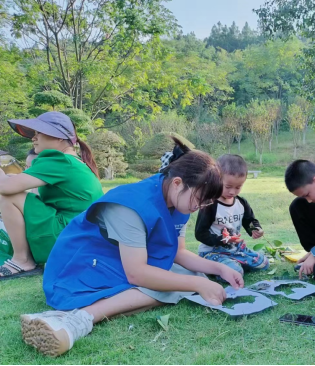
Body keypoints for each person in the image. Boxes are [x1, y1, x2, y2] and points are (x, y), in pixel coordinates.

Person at [20, 142, 244, 357]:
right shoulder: (131, 205)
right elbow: (137, 273)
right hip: (80, 266)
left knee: (186, 277)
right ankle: (80, 320)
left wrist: (219, 269)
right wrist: (198, 284)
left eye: (205, 203)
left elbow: (178, 252)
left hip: (115, 261)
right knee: (174, 283)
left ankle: (71, 316)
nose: (199, 207)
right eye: (199, 200)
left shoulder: (179, 201)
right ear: (177, 183)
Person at [0, 112, 103, 279]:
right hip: (83, 235)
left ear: (59, 137)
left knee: (8, 196)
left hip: (70, 235)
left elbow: (4, 188)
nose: (33, 138)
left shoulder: (58, 160)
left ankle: (22, 260)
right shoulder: (72, 161)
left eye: (38, 133)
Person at [195, 154, 269, 276]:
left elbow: (249, 220)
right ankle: (220, 266)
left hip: (236, 249)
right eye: (228, 187)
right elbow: (200, 233)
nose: (232, 192)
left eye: (238, 187)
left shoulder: (241, 202)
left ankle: (233, 263)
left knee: (264, 263)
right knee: (235, 272)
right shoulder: (210, 204)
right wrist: (222, 240)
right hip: (213, 251)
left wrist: (255, 229)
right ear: (217, 179)